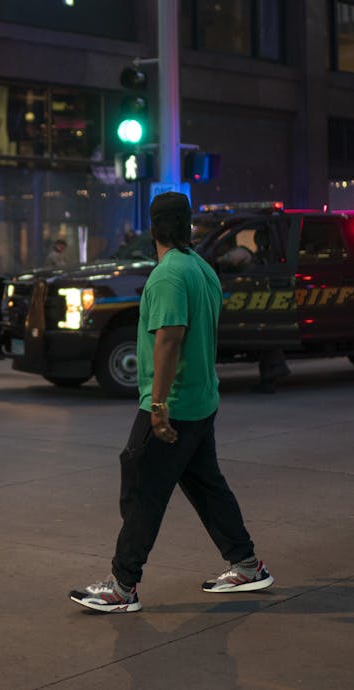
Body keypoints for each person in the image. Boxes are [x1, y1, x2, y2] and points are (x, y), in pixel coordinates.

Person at [69, 191, 273, 613]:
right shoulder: (202, 269)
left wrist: (158, 407)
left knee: (143, 492)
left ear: (152, 228)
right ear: (189, 227)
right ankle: (247, 564)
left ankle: (123, 587)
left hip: (173, 405)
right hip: (202, 400)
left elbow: (170, 339)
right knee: (207, 486)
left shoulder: (168, 275)